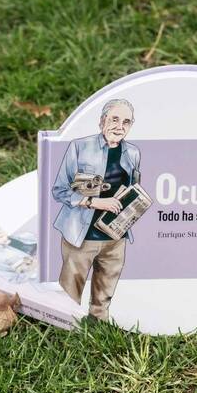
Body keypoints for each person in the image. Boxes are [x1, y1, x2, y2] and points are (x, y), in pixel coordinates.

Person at [51, 98, 141, 320]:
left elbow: (133, 188)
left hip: (115, 236)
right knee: (69, 295)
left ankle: (98, 333)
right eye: (114, 119)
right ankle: (65, 332)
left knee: (104, 298)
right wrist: (94, 202)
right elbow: (59, 190)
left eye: (126, 122)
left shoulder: (133, 153)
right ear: (102, 121)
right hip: (81, 236)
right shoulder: (79, 147)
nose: (119, 126)